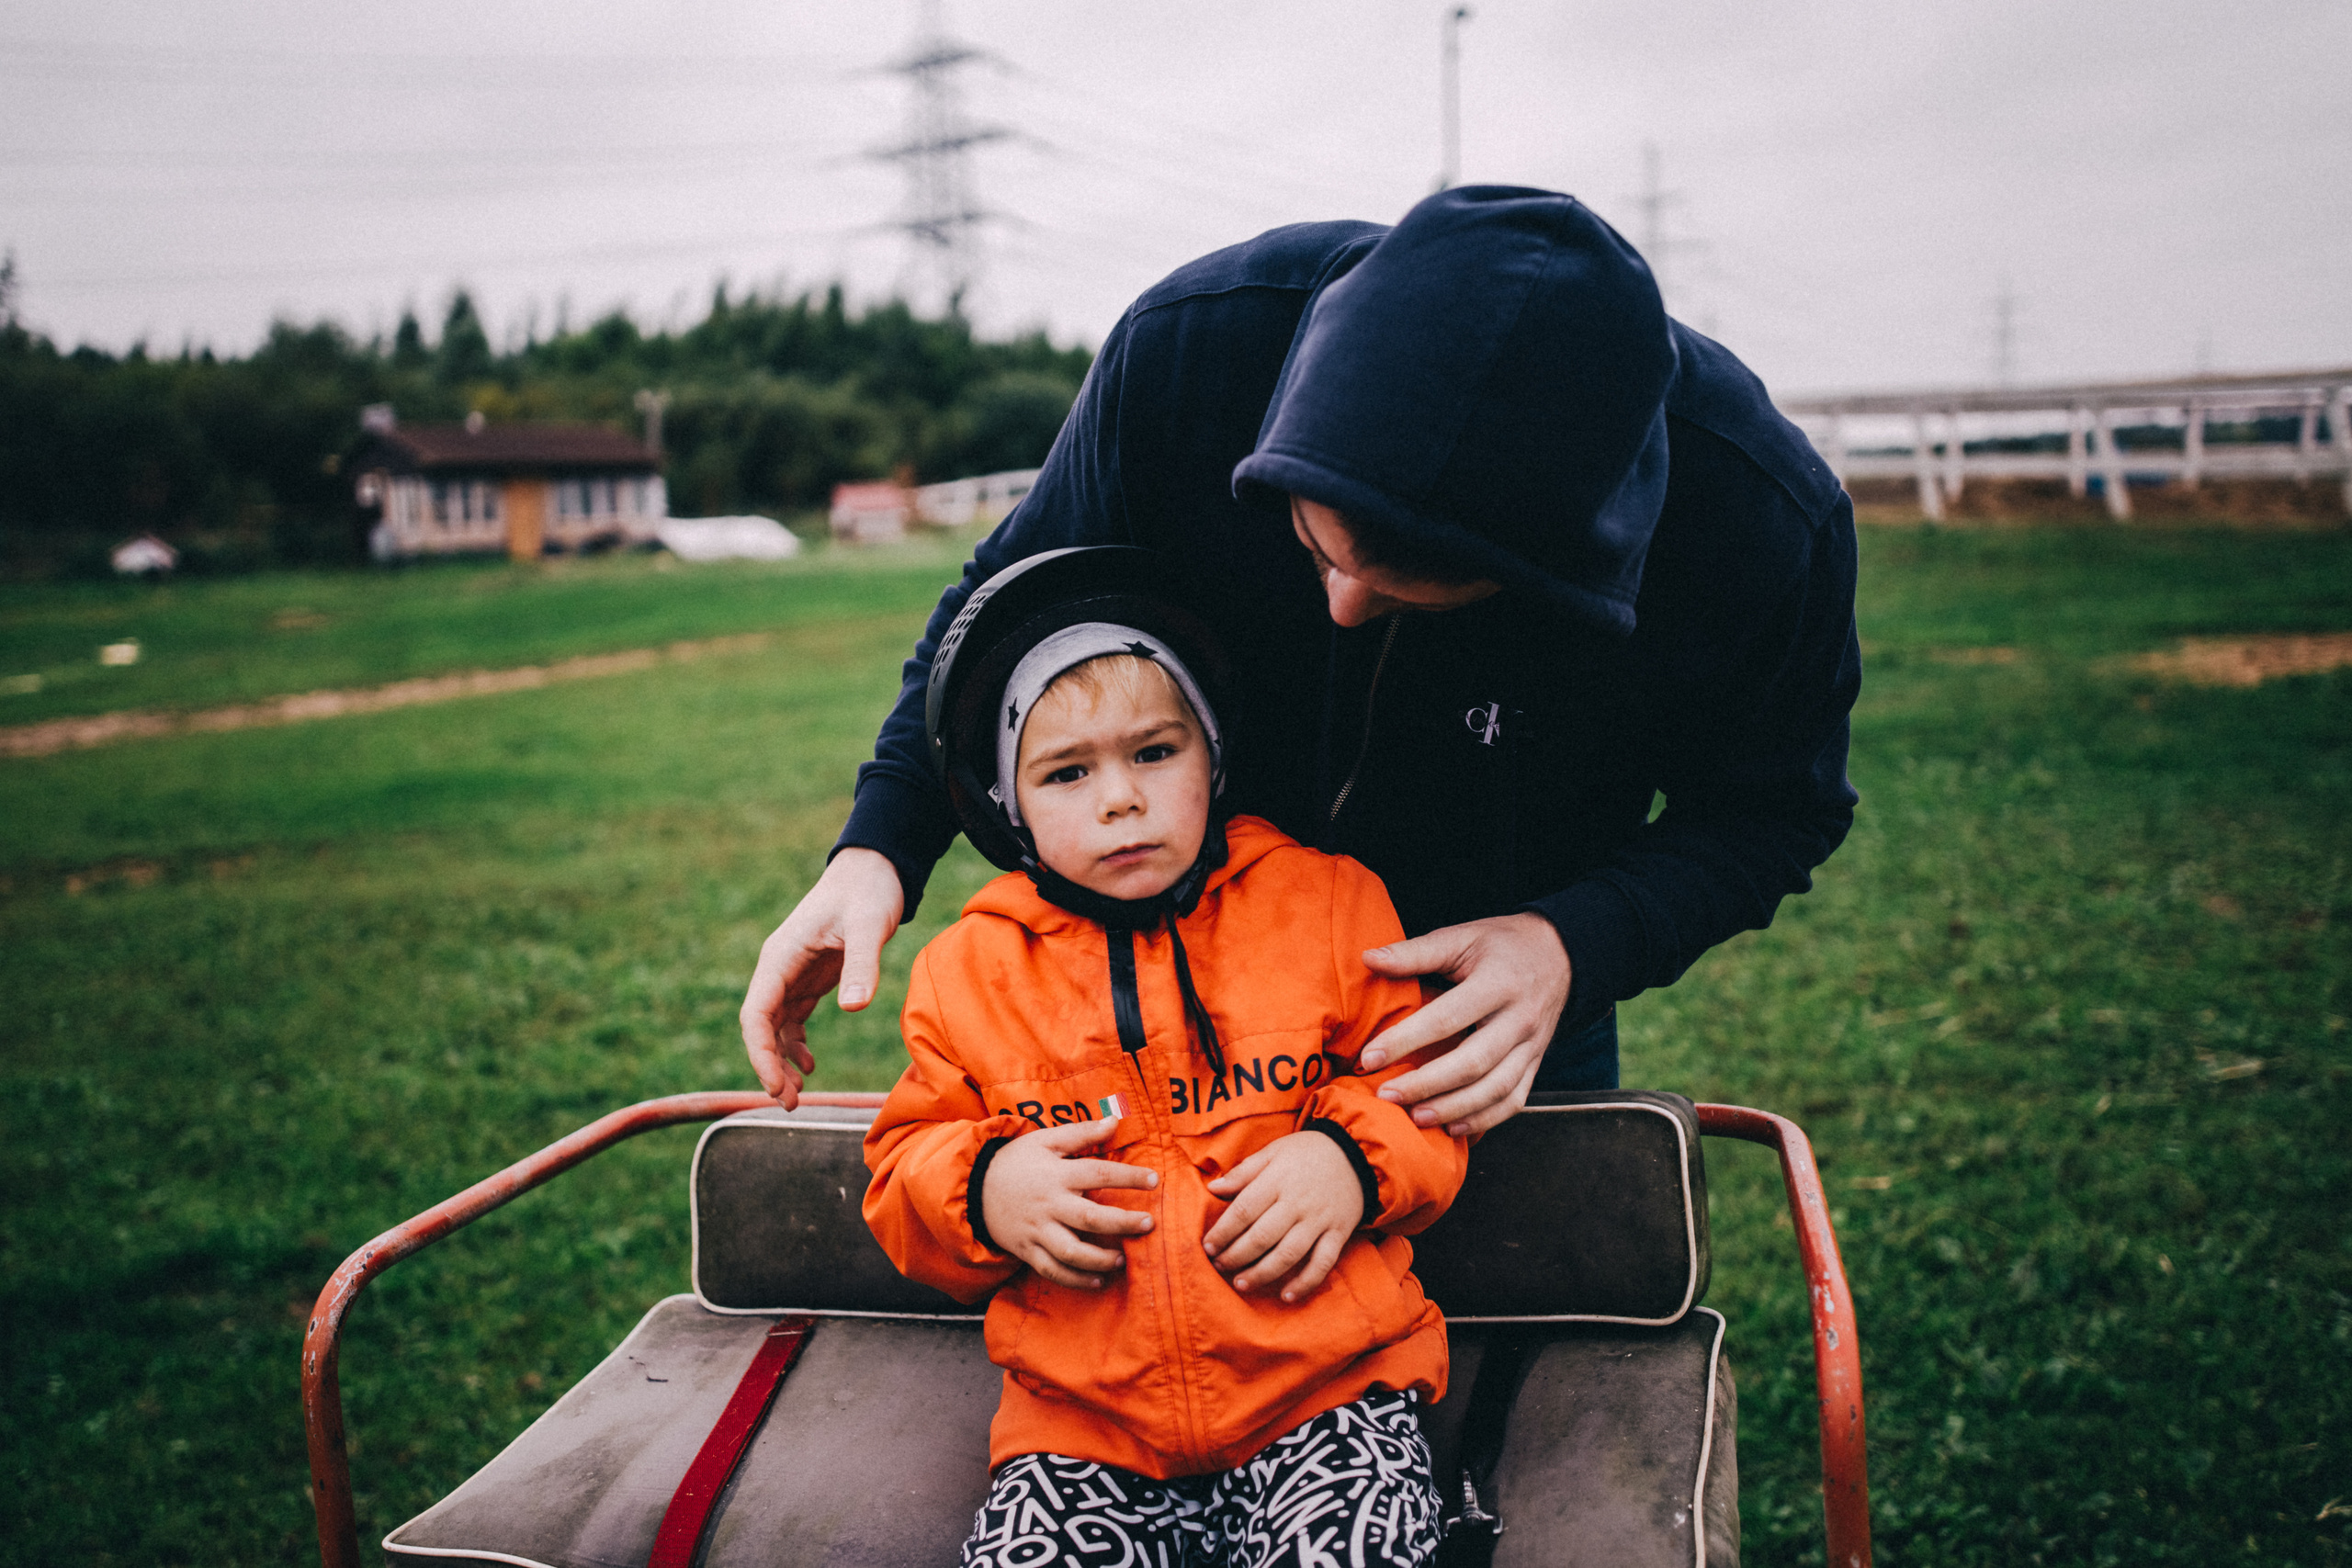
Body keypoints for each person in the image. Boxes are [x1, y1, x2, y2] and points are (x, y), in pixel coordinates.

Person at [745, 184, 1861, 1135]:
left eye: (1408, 591)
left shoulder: (1763, 527)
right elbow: (999, 612)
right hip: (1177, 966)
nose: (1338, 607)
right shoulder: (1194, 352)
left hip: (1468, 1005)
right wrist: (876, 849)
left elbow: (1772, 813)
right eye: (1312, 544)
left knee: (1499, 1318)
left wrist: (1574, 944)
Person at [863, 551, 1466, 1566]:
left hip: (1326, 1399)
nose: (1120, 801)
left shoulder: (1324, 905)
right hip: (1082, 1430)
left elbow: (1423, 1089)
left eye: (1154, 752)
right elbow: (902, 1161)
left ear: (1213, 756)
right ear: (1006, 803)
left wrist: (1352, 1166)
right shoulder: (967, 973)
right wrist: (986, 1188)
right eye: (1066, 772)